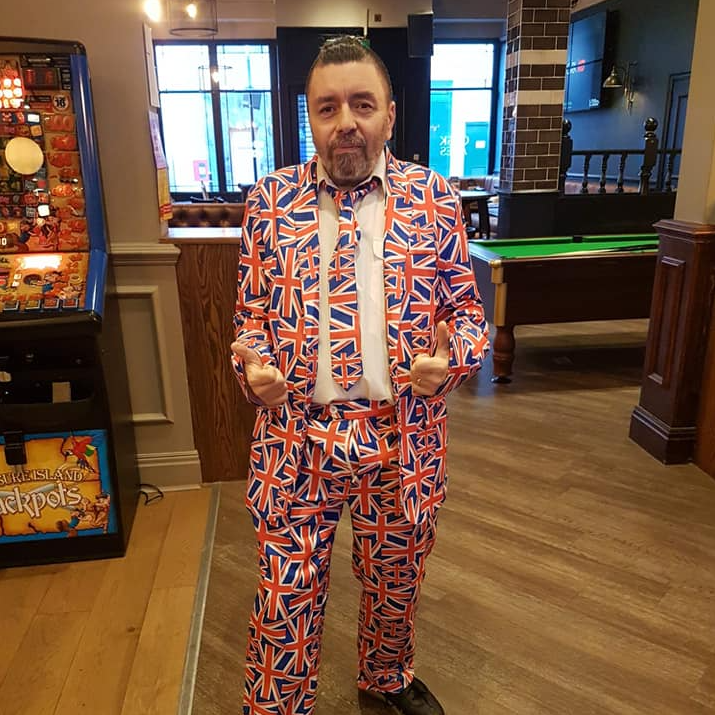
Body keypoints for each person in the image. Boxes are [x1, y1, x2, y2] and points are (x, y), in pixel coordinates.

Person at [231, 35, 489, 715]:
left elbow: (467, 315)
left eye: (362, 104)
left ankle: (386, 675)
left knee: (395, 583)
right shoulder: (268, 202)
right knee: (284, 598)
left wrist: (452, 361)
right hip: (296, 442)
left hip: (401, 441)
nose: (345, 121)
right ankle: (279, 704)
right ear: (310, 117)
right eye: (328, 107)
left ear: (389, 115)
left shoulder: (434, 200)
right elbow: (250, 318)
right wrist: (251, 367)